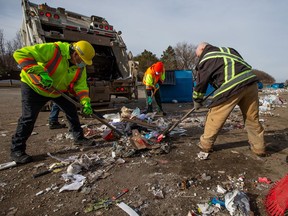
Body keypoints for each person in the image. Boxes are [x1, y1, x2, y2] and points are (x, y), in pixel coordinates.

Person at [11, 40, 96, 164]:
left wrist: (85, 102)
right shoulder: (54, 50)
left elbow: (81, 86)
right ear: (75, 53)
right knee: (28, 117)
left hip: (57, 91)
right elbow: (20, 54)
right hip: (35, 87)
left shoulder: (80, 68)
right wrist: (40, 71)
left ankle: (79, 138)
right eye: (81, 60)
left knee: (71, 110)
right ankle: (17, 150)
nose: (82, 63)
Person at [193, 42, 266, 157]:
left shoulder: (207, 57)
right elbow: (234, 68)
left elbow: (201, 82)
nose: (198, 57)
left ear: (203, 48)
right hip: (251, 83)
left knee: (215, 116)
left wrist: (197, 100)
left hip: (232, 86)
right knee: (252, 118)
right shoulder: (230, 50)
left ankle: (205, 144)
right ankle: (259, 147)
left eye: (197, 54)